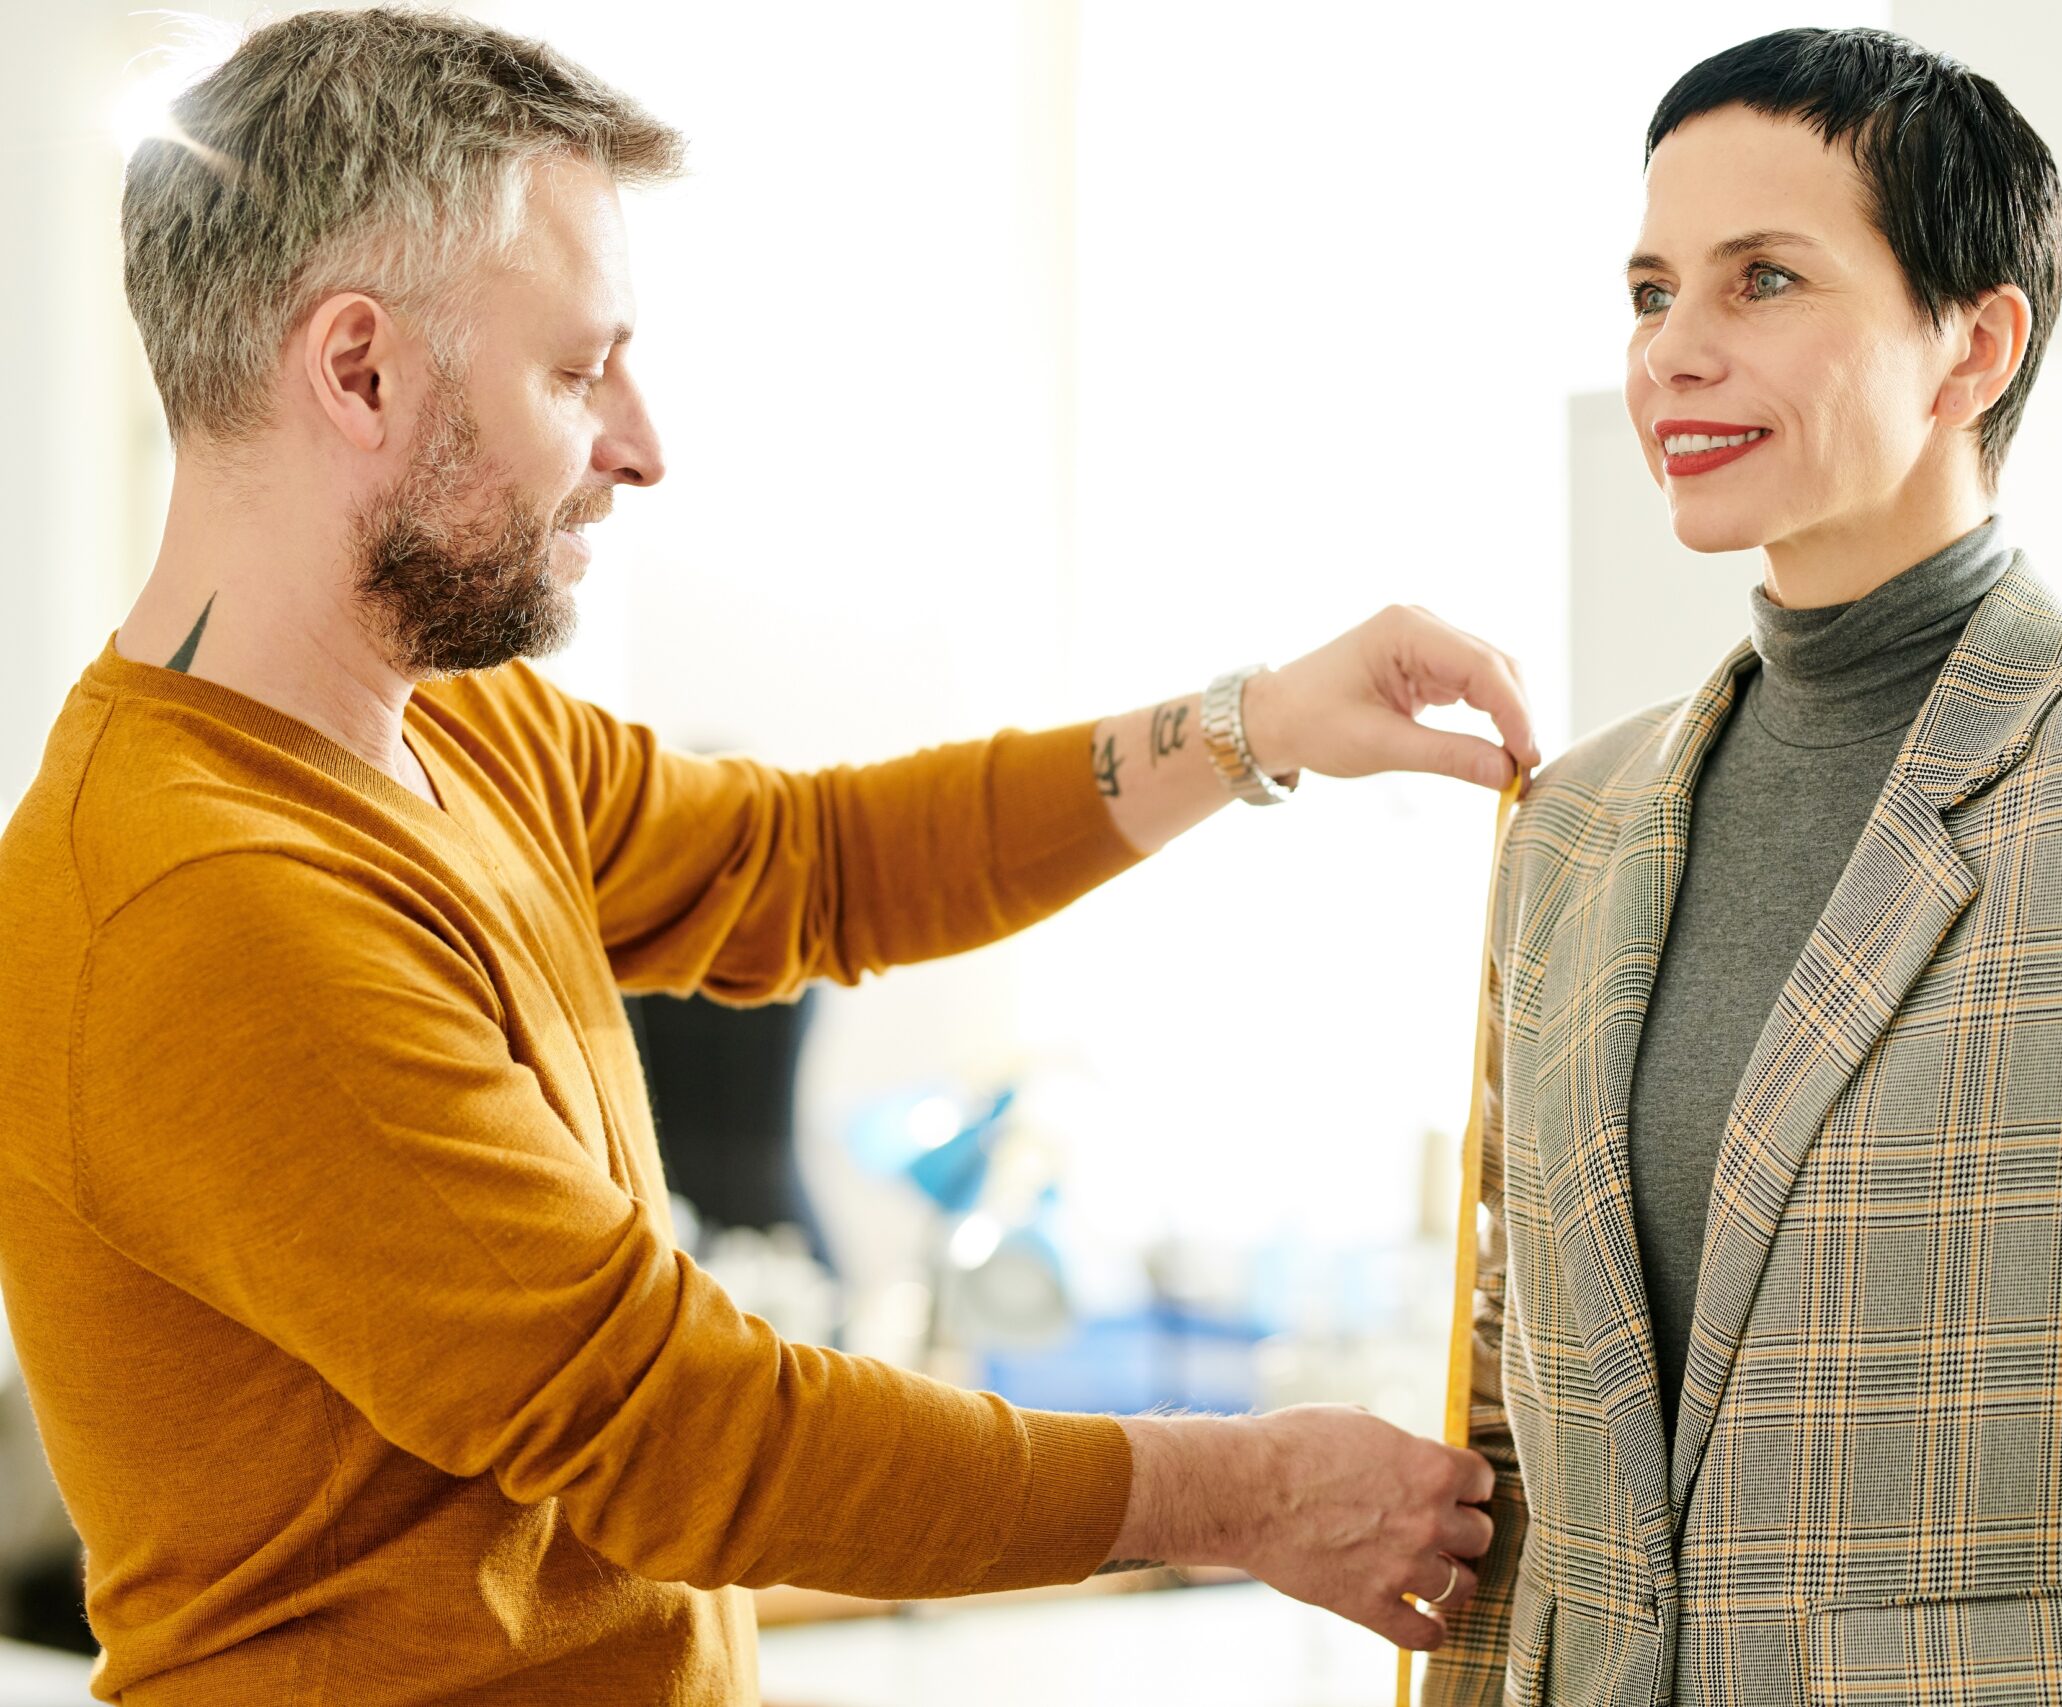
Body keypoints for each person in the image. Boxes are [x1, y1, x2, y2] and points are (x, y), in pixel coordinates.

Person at [0, 10, 1536, 1703]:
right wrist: (1242, 1493)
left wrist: (1256, 723)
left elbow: (810, 863)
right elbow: (682, 1433)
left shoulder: (452, 733)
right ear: (356, 370)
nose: (642, 443)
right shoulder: (205, 906)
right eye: (578, 372)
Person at [1424, 27, 2062, 1707]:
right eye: (1654, 292)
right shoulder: (1569, 827)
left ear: (1974, 347)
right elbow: (1516, 1445)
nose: (1674, 355)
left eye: (1763, 282)